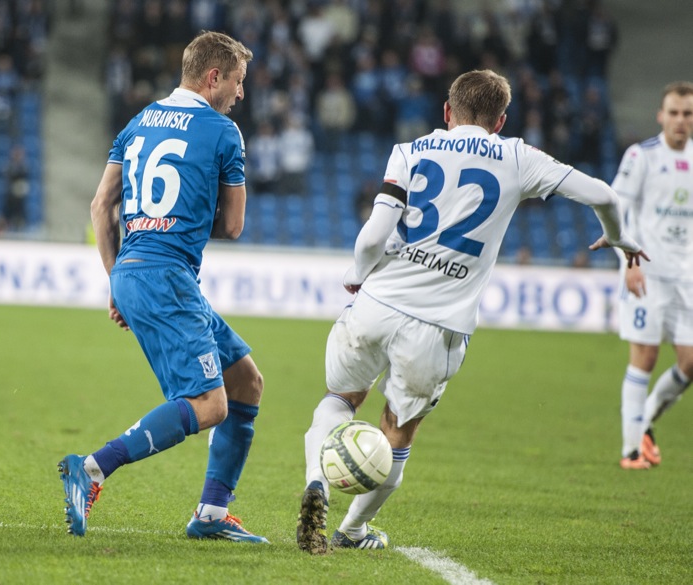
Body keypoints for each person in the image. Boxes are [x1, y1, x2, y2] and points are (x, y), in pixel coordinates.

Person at [296, 69, 648, 554]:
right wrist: (618, 236)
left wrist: (358, 274)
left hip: (376, 304)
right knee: (399, 430)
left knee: (338, 399)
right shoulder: (517, 156)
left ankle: (317, 478)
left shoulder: (411, 150)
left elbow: (374, 236)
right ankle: (352, 531)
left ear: (447, 111)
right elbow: (604, 194)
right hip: (436, 327)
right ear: (500, 121)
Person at [58, 31, 269, 544]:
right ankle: (90, 469)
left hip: (133, 269)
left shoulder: (137, 123)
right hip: (167, 276)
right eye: (238, 83)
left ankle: (212, 514)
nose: (241, 95)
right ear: (213, 77)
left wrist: (117, 281)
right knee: (210, 404)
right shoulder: (223, 132)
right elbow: (236, 225)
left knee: (246, 382)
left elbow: (99, 205)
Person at [613, 81, 693, 470]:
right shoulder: (640, 156)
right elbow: (615, 210)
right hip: (647, 273)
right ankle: (631, 451)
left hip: (688, 277)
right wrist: (629, 261)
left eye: (687, 113)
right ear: (661, 115)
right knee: (644, 357)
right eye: (674, 113)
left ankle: (642, 424)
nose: (680, 120)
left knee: (690, 363)